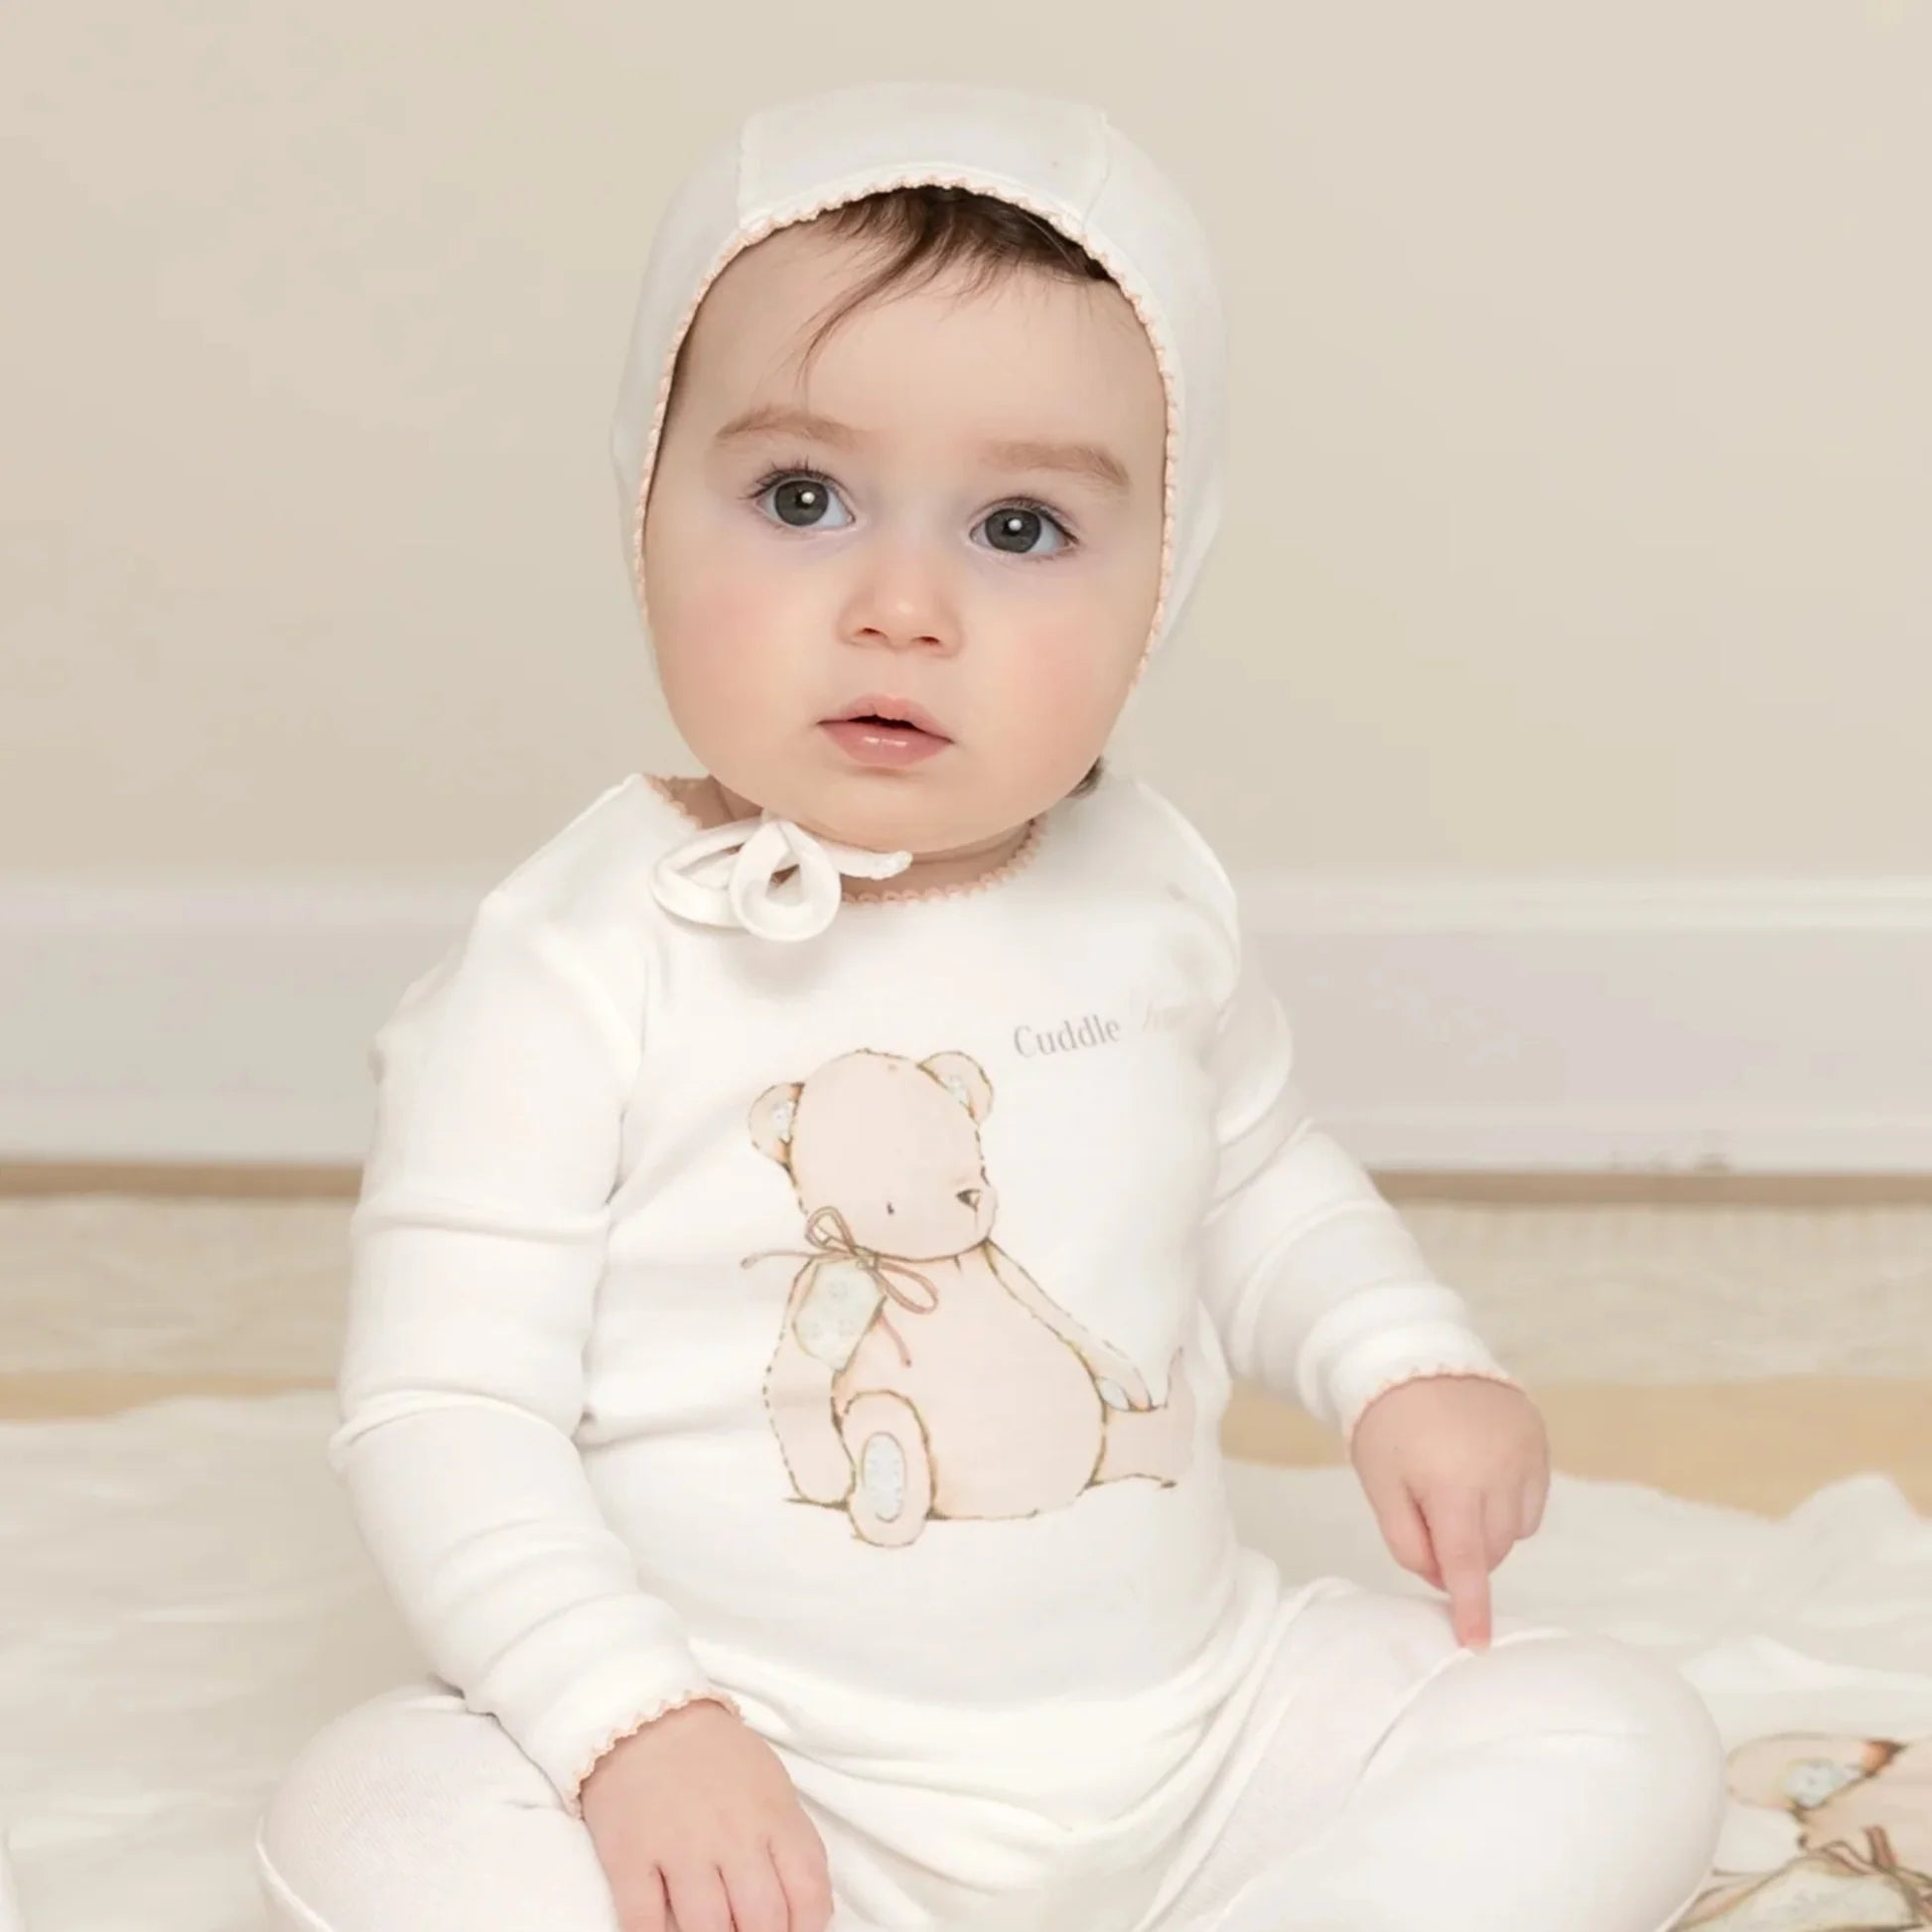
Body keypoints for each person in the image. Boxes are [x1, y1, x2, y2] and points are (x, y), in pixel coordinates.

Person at [256, 79, 1726, 1932]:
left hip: (1193, 1739)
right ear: (644, 504)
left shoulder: (1147, 887)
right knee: (382, 1817)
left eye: (1019, 528)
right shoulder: (572, 959)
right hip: (753, 1780)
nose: (901, 605)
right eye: (802, 498)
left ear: (1159, 582)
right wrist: (627, 1723)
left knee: (1609, 1729)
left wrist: (1398, 1355)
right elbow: (445, 1400)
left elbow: (1254, 1176)